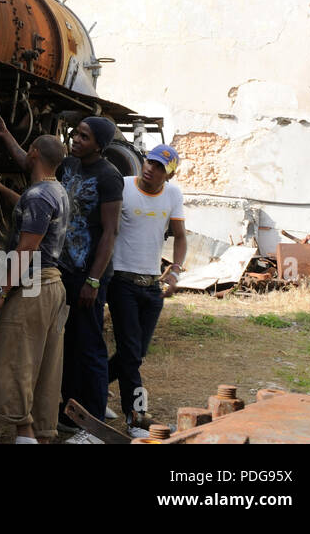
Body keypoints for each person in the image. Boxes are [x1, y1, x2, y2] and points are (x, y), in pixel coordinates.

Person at [0, 114, 123, 427]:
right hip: (62, 270)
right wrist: (6, 134)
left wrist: (93, 279)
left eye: (84, 137)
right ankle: (68, 410)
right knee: (63, 344)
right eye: (76, 134)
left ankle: (93, 420)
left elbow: (110, 231)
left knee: (89, 344)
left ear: (99, 145)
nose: (76, 140)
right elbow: (33, 162)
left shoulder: (109, 176)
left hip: (88, 272)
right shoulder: (68, 166)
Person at [0, 135, 72, 443]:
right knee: (46, 368)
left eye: (27, 148)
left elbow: (25, 250)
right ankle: (42, 434)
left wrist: (0, 293)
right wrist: (3, 189)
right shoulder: (56, 191)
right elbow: (35, 216)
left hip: (34, 287)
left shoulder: (38, 196)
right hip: (54, 287)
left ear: (33, 153)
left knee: (12, 359)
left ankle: (24, 433)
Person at [108, 144, 186, 430]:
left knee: (136, 354)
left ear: (169, 176)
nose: (151, 168)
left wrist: (175, 272)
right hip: (122, 283)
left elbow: (179, 236)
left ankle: (91, 387)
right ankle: (136, 415)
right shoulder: (123, 186)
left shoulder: (173, 195)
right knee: (130, 354)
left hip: (152, 287)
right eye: (150, 162)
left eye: (160, 167)